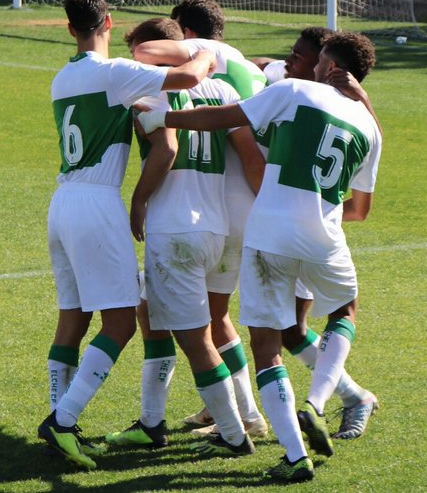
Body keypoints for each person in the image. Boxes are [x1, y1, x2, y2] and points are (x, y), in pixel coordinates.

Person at [137, 33, 382, 483]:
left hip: (268, 231)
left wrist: (164, 117)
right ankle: (319, 401)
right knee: (343, 311)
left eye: (313, 59)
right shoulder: (369, 127)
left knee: (268, 350)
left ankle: (294, 454)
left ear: (327, 66)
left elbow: (224, 118)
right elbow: (360, 210)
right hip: (326, 236)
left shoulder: (291, 92)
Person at [40, 0, 217, 471]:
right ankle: (62, 421)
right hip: (98, 204)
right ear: (109, 22)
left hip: (63, 202)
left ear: (69, 26)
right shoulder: (114, 72)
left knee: (72, 317)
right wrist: (206, 50)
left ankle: (61, 416)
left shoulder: (61, 78)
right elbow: (186, 77)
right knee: (119, 322)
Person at [103, 18, 264, 459]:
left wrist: (138, 201)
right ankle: (151, 423)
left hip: (175, 227)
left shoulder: (152, 87)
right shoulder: (223, 91)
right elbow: (248, 154)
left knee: (197, 340)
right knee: (149, 311)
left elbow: (168, 149)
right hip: (216, 225)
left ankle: (235, 434)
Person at [252, 28, 381, 440]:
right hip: (284, 231)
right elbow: (256, 64)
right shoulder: (287, 83)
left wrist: (310, 207)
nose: (288, 62)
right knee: (287, 330)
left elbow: (358, 208)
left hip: (296, 234)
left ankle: (335, 401)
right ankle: (352, 395)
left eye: (298, 57)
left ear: (324, 67)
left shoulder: (310, 98)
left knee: (286, 328)